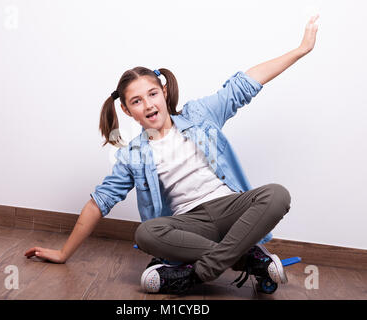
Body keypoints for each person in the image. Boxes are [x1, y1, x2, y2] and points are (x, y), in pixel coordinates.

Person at [25, 15, 319, 295]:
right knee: (146, 234)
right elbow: (97, 204)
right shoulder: (133, 156)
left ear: (164, 93)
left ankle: (195, 274)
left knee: (276, 195)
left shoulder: (200, 115)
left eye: (152, 94)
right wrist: (63, 254)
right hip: (189, 225)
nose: (148, 105)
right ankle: (253, 261)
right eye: (137, 101)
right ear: (127, 111)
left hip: (231, 211)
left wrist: (301, 50)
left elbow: (245, 83)